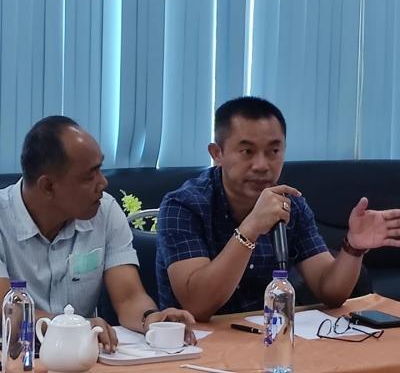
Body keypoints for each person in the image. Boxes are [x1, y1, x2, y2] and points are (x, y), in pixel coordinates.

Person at [156, 96, 400, 322]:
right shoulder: (183, 205)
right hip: (197, 344)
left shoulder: (291, 204)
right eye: (247, 152)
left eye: (273, 151)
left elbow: (330, 291)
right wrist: (250, 228)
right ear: (217, 153)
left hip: (265, 337)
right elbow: (197, 305)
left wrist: (353, 248)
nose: (262, 165)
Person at [0, 116, 195, 352]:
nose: (103, 183)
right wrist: (74, 327)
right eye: (89, 176)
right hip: (13, 359)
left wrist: (153, 320)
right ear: (48, 186)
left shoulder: (105, 210)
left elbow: (129, 298)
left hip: (82, 359)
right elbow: (9, 313)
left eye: (100, 169)